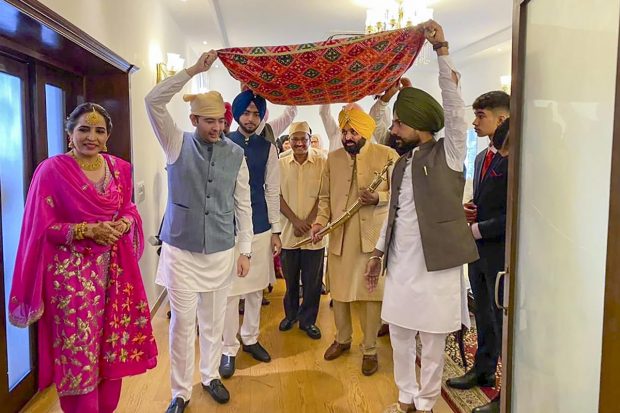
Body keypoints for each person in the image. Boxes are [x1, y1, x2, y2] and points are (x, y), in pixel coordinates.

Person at [8, 102, 158, 413]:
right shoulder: (51, 170)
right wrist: (85, 231)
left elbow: (128, 208)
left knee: (110, 344)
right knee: (78, 350)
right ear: (69, 133)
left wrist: (126, 223)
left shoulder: (120, 168)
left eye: (99, 130)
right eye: (84, 129)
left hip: (115, 272)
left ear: (108, 135)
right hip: (71, 278)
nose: (92, 136)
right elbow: (42, 226)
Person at [364, 21, 479, 413]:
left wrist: (442, 50)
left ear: (418, 126)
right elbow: (393, 215)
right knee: (399, 334)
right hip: (401, 264)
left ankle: (426, 404)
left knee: (431, 342)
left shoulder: (449, 154)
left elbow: (453, 108)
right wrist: (378, 255)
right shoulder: (401, 163)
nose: (393, 130)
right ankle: (405, 398)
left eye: (399, 123)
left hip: (438, 266)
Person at [145, 51, 253, 413]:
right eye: (209, 122)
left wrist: (246, 249)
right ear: (193, 119)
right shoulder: (175, 142)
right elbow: (152, 100)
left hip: (221, 249)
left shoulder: (235, 153)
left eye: (220, 122)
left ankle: (209, 376)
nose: (217, 129)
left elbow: (243, 204)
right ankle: (180, 392)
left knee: (214, 320)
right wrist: (193, 71)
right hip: (181, 252)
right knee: (181, 324)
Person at [310, 106, 398, 376]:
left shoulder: (387, 156)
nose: (348, 137)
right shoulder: (332, 158)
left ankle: (370, 349)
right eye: (345, 131)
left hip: (371, 240)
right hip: (340, 237)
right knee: (340, 292)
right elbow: (324, 198)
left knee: (370, 296)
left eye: (353, 131)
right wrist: (319, 222)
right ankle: (342, 339)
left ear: (366, 131)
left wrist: (378, 198)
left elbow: (398, 196)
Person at [446, 94, 510, 413]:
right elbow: (488, 200)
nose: (474, 122)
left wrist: (478, 228)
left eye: (480, 115)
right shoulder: (481, 156)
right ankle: (482, 368)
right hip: (478, 252)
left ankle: (506, 394)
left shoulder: (516, 158)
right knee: (483, 315)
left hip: (501, 253)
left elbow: (515, 212)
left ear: (501, 120)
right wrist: (471, 211)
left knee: (502, 323)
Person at [220, 89, 285, 378]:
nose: (250, 118)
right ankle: (228, 348)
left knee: (256, 288)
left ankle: (251, 338)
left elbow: (272, 190)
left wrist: (276, 230)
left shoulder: (268, 147)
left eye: (256, 113)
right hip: (228, 227)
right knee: (230, 293)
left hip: (260, 224)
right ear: (236, 114)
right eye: (246, 112)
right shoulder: (223, 143)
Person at [279, 121, 327, 340]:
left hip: (314, 232)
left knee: (312, 282)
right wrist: (295, 221)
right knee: (290, 280)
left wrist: (307, 221)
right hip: (288, 233)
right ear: (289, 141)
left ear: (310, 138)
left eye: (303, 139)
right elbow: (276, 195)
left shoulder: (322, 161)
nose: (299, 143)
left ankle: (308, 321)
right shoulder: (279, 163)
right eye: (295, 139)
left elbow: (325, 196)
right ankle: (290, 315)